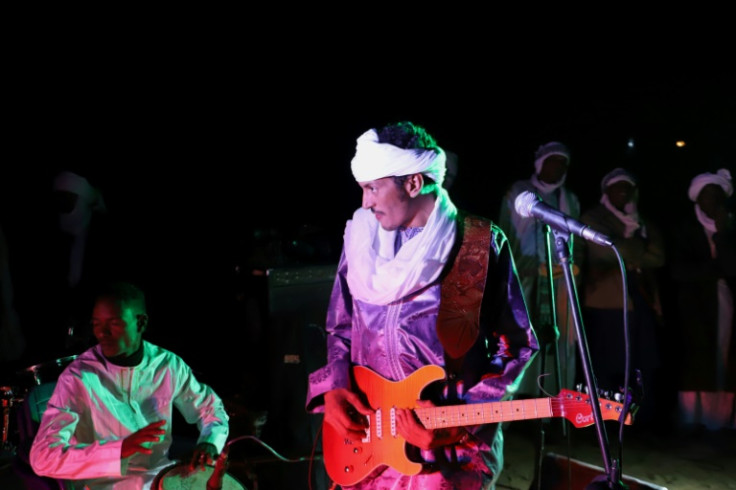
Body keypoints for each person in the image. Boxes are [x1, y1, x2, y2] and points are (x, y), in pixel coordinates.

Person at [305, 121, 538, 489]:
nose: (365, 202)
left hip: (444, 454)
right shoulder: (360, 240)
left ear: (413, 183)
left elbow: (518, 345)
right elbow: (340, 328)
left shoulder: (476, 245)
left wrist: (460, 422)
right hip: (367, 451)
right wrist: (334, 389)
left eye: (373, 188)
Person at [28, 281, 230, 489]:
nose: (102, 333)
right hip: (106, 484)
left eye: (114, 323)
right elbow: (42, 458)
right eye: (97, 324)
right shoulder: (78, 378)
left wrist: (209, 442)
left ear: (141, 323)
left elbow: (211, 409)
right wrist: (119, 450)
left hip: (160, 475)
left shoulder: (167, 365)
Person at [577, 168, 665, 429]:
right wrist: (635, 248)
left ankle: (640, 419)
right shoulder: (593, 217)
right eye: (618, 187)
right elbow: (606, 250)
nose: (623, 192)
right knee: (606, 363)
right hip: (605, 301)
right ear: (607, 191)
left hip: (639, 299)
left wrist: (624, 250)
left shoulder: (642, 221)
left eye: (628, 187)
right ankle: (603, 420)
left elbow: (659, 257)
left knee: (642, 362)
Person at [498, 141, 580, 400]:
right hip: (524, 281)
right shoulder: (518, 192)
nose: (557, 168)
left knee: (558, 343)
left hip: (559, 283)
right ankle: (514, 408)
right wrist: (531, 267)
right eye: (552, 162)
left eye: (562, 164)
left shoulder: (570, 200)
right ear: (540, 164)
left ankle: (550, 409)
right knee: (520, 340)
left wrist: (568, 265)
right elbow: (505, 235)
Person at [670, 168, 736, 433]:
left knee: (727, 360)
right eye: (707, 195)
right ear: (697, 199)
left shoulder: (730, 227)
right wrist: (713, 270)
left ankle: (724, 420)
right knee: (698, 358)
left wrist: (723, 233)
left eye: (717, 195)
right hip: (695, 305)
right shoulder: (685, 228)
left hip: (727, 302)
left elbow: (732, 266)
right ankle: (695, 419)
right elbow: (678, 270)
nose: (713, 201)